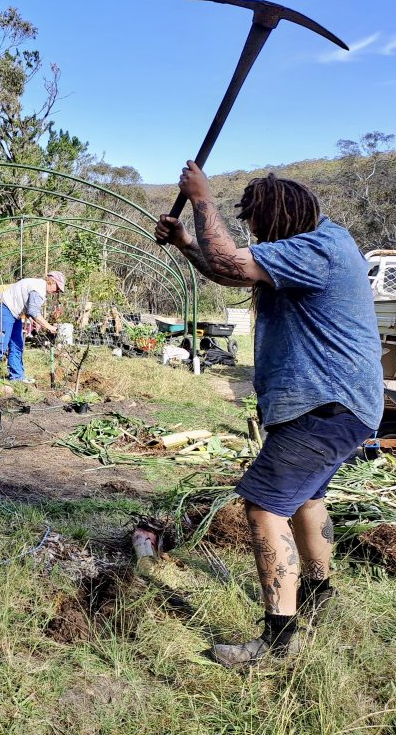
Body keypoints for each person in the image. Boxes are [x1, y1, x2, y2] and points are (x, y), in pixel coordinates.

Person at [157, 161, 382, 667]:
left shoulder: (317, 249)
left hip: (326, 405)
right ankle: (321, 597)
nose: (257, 234)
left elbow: (234, 262)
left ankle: (279, 641)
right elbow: (226, 269)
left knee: (263, 504)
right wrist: (187, 245)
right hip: (337, 405)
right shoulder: (322, 244)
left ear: (280, 219)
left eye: (259, 225)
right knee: (305, 498)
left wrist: (201, 200)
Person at [0, 272, 65, 384]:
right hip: (3, 308)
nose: (57, 292)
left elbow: (28, 309)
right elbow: (33, 311)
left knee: (17, 344)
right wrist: (49, 327)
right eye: (58, 288)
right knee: (1, 344)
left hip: (14, 313)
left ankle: (17, 376)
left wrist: (35, 321)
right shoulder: (38, 289)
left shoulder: (39, 288)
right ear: (52, 281)